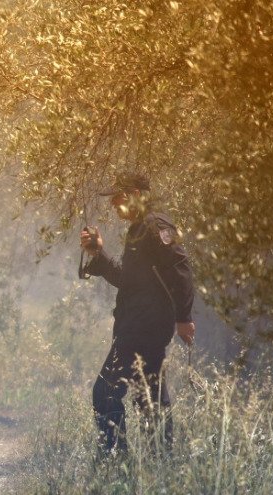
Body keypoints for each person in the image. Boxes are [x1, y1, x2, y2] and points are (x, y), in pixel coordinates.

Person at [79, 172, 195, 454]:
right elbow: (128, 280)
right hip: (138, 328)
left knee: (105, 393)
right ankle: (159, 462)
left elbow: (181, 272)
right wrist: (99, 254)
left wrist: (183, 318)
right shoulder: (140, 229)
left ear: (133, 194)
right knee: (150, 397)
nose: (112, 205)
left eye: (117, 198)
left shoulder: (156, 226)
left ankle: (116, 463)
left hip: (144, 330)